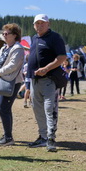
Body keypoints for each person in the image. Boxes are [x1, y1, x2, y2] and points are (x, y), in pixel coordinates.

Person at [27, 14, 67, 152]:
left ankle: (51, 138)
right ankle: (43, 136)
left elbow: (62, 57)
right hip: (34, 80)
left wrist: (46, 69)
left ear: (48, 24)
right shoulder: (34, 38)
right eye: (37, 23)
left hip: (49, 79)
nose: (39, 25)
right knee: (37, 109)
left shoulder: (55, 37)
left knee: (50, 109)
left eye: (42, 23)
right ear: (34, 25)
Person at [0, 23, 25, 146]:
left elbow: (12, 65)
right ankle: (7, 135)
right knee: (5, 109)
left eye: (6, 33)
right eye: (3, 33)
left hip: (11, 81)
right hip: (1, 80)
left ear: (14, 35)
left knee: (2, 108)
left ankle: (8, 137)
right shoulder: (4, 48)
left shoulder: (18, 48)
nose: (4, 35)